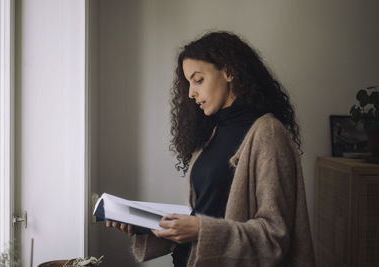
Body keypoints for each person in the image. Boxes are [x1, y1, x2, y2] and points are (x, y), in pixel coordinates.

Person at [106, 31, 315, 267]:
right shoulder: (210, 135)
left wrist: (199, 230)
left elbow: (274, 238)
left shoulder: (269, 134)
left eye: (198, 80)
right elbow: (207, 214)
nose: (190, 93)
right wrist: (148, 225)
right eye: (188, 83)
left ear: (228, 71)